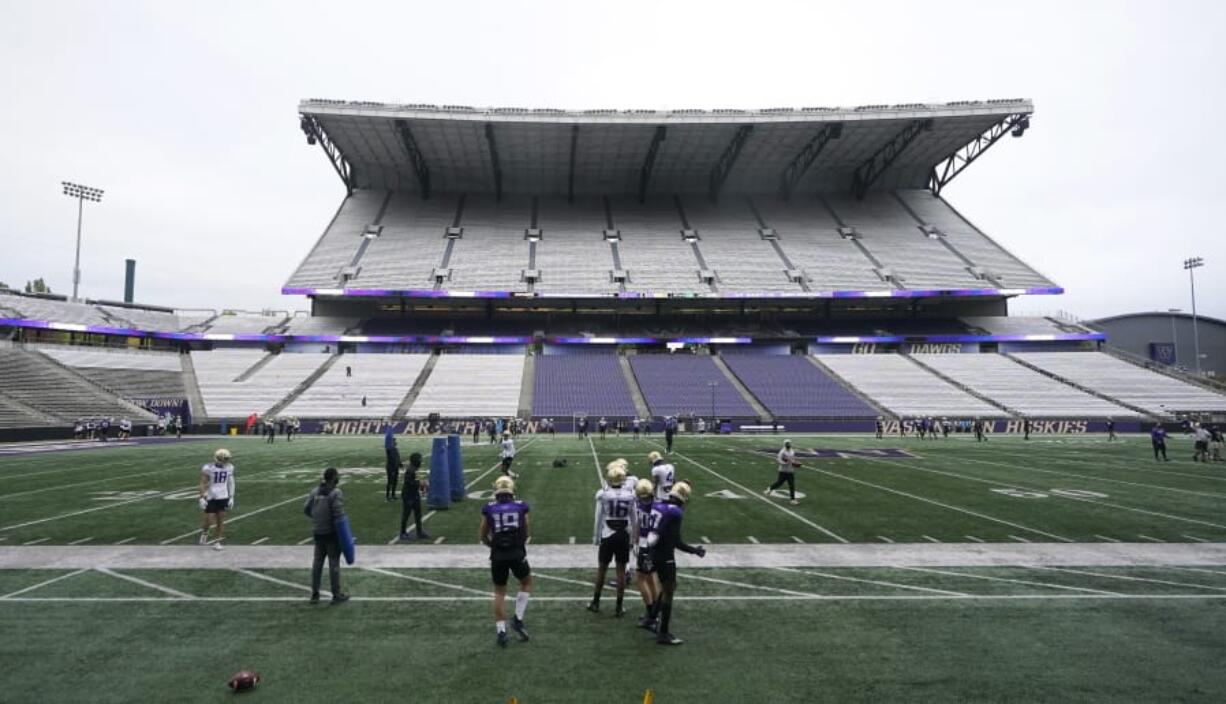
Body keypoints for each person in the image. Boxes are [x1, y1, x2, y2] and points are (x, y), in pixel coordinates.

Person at [647, 480, 705, 645]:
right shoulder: (676, 513)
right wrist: (695, 551)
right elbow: (676, 542)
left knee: (668, 586)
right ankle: (663, 632)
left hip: (654, 551)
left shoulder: (658, 504)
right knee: (669, 590)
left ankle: (651, 617)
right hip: (665, 555)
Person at [479, 476, 532, 648]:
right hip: (516, 552)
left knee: (499, 592)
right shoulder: (521, 506)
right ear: (511, 491)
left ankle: (501, 632)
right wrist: (519, 546)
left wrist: (493, 547)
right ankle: (517, 618)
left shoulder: (489, 508)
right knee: (526, 581)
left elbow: (482, 535)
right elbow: (525, 531)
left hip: (498, 554)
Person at [588, 462, 635, 616]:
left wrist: (596, 537)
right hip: (623, 534)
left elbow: (598, 518)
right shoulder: (630, 495)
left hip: (608, 533)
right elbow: (634, 519)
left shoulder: (603, 494)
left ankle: (595, 602)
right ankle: (619, 606)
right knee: (621, 571)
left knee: (602, 569)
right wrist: (633, 538)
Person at [303, 467, 349, 604]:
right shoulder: (336, 493)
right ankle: (336, 594)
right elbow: (339, 515)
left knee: (317, 563)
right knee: (334, 563)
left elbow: (306, 508)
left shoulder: (315, 491)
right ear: (333, 478)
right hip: (331, 533)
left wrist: (316, 518)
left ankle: (315, 594)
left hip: (318, 532)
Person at [632, 478, 660, 631]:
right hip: (656, 545)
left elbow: (636, 527)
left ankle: (652, 615)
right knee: (651, 578)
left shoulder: (638, 506)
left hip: (645, 545)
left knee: (640, 580)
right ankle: (655, 612)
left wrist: (635, 543)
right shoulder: (658, 505)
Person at [198, 448, 235, 551]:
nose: (227, 461)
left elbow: (231, 482)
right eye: (225, 458)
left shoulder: (229, 468)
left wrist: (231, 496)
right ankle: (205, 532)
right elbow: (203, 483)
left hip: (223, 496)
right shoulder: (209, 468)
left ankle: (217, 541)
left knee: (220, 521)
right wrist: (201, 497)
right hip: (211, 496)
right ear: (220, 458)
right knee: (209, 520)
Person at [399, 452, 429, 540]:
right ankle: (403, 532)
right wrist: (421, 483)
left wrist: (423, 486)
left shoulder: (415, 469)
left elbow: (417, 481)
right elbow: (410, 483)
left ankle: (419, 532)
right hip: (408, 495)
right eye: (420, 459)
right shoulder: (410, 470)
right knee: (406, 514)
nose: (421, 461)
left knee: (418, 514)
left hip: (414, 494)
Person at [765, 440, 801, 505]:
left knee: (792, 485)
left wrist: (795, 463)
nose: (788, 445)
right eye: (787, 444)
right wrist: (785, 463)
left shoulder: (792, 451)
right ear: (785, 444)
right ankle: (770, 488)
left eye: (789, 443)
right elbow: (778, 460)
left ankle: (792, 500)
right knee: (779, 483)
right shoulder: (782, 452)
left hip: (790, 471)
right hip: (783, 471)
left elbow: (793, 459)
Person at [384, 424, 401, 501]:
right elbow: (392, 459)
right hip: (391, 467)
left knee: (395, 481)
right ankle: (388, 496)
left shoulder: (395, 449)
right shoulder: (389, 450)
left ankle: (393, 494)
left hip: (395, 467)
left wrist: (400, 464)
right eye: (394, 441)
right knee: (390, 482)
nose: (395, 442)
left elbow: (397, 458)